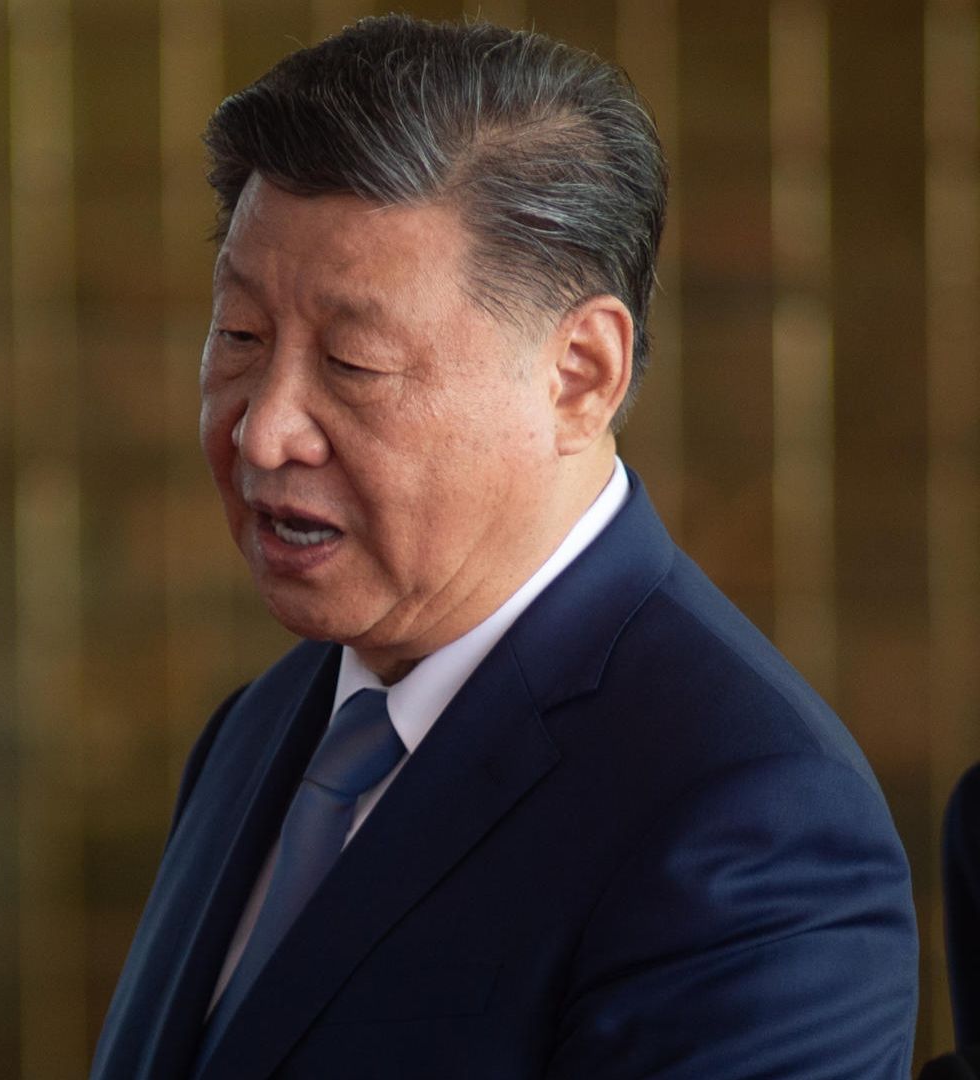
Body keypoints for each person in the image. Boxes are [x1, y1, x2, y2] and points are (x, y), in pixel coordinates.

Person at [92, 16, 916, 1079]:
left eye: (353, 362)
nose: (264, 431)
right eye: (241, 337)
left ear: (580, 376)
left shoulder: (752, 826)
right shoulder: (260, 729)